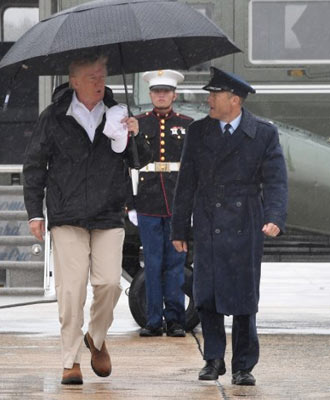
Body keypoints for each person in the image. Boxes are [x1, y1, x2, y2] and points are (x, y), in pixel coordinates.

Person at [23, 54, 152, 385]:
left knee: (109, 284)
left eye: (102, 75)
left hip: (109, 213)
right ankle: (70, 360)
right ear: (74, 81)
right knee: (72, 290)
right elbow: (35, 166)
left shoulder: (119, 114)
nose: (99, 81)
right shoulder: (53, 118)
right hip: (67, 214)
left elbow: (139, 162)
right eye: (92, 76)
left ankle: (96, 337)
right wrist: (35, 212)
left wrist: (135, 135)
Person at [171, 67, 288, 386]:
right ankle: (213, 359)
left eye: (215, 94)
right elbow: (186, 183)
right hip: (208, 218)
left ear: (234, 100)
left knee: (243, 297)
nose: (208, 99)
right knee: (206, 295)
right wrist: (179, 229)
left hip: (245, 220)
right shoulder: (198, 132)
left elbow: (276, 180)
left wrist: (275, 217)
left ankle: (243, 365)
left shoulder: (263, 133)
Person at [129, 70, 193, 338]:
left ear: (174, 94)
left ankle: (176, 319)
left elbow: (193, 167)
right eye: (157, 91)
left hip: (177, 201)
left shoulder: (188, 124)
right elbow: (129, 164)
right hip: (148, 201)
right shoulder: (139, 123)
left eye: (166, 91)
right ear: (150, 94)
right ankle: (154, 320)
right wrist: (132, 134)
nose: (161, 95)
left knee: (176, 264)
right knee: (153, 263)